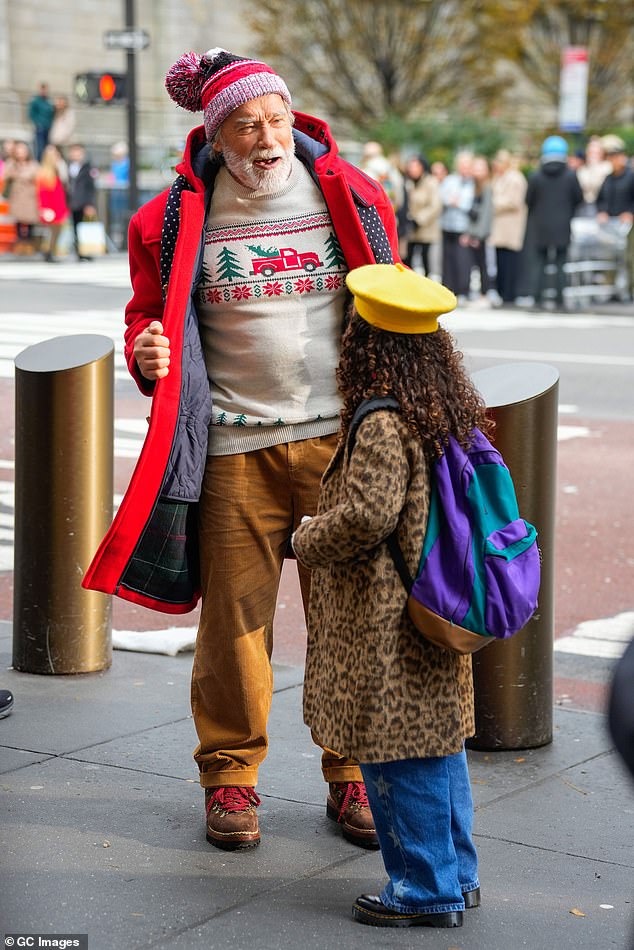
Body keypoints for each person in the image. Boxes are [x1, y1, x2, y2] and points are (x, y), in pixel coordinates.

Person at [82, 47, 400, 853]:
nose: (267, 138)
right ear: (215, 137)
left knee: (352, 618)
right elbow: (146, 317)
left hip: (339, 442)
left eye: (278, 119)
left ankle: (353, 771)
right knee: (233, 627)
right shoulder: (171, 218)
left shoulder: (351, 195)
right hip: (231, 447)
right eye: (246, 125)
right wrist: (145, 350)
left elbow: (395, 299)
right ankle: (229, 776)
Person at [292, 262, 484, 929]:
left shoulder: (381, 420)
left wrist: (308, 538)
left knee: (398, 757)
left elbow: (368, 516)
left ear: (363, 341)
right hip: (433, 604)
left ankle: (425, 890)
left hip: (389, 623)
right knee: (439, 748)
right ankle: (458, 874)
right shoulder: (441, 406)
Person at [525, 136, 583, 312]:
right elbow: (578, 199)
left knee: (539, 264)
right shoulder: (571, 176)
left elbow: (528, 200)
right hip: (562, 226)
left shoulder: (535, 175)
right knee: (560, 263)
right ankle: (559, 300)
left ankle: (537, 299)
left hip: (540, 225)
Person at [596, 135, 634, 302]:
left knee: (629, 257)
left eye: (616, 157)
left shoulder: (631, 176)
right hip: (611, 225)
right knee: (609, 257)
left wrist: (630, 213)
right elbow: (600, 200)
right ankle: (610, 289)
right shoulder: (608, 178)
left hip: (627, 225)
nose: (614, 161)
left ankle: (630, 289)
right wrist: (602, 211)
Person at [489, 149, 527, 306]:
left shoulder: (515, 178)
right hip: (500, 226)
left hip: (510, 226)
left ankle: (509, 294)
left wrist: (492, 204)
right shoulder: (499, 178)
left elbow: (513, 201)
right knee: (500, 260)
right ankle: (502, 292)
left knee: (510, 260)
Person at [439, 151, 474, 300]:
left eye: (467, 165)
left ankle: (463, 290)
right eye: (462, 165)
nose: (464, 168)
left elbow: (470, 203)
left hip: (464, 226)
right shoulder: (450, 180)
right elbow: (442, 196)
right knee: (448, 259)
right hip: (447, 225)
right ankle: (448, 289)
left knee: (463, 260)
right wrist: (450, 201)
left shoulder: (473, 183)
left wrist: (458, 203)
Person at [402, 155, 441, 277]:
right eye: (411, 166)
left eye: (415, 166)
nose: (412, 169)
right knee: (408, 259)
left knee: (426, 260)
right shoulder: (407, 182)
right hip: (410, 229)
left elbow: (435, 205)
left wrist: (418, 219)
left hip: (426, 228)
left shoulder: (431, 182)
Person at [2, 140, 40, 254]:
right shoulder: (11, 163)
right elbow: (6, 176)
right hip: (17, 196)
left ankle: (29, 246)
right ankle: (19, 246)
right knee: (18, 222)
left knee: (30, 222)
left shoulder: (33, 164)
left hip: (29, 197)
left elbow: (37, 177)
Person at [465, 155, 493, 305]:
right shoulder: (475, 186)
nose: (477, 171)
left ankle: (485, 294)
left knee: (483, 264)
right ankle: (479, 293)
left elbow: (486, 214)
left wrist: (478, 235)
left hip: (482, 234)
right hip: (474, 233)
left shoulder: (487, 187)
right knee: (475, 264)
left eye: (480, 168)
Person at [36, 144, 69, 262]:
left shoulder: (57, 171)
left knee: (58, 231)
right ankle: (48, 252)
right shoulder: (44, 173)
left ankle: (51, 251)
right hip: (51, 207)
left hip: (59, 205)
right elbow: (42, 193)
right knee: (52, 232)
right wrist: (45, 208)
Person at [66, 143, 97, 260]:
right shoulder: (67, 166)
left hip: (83, 202)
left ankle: (85, 251)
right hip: (71, 202)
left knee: (83, 227)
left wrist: (90, 204)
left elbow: (91, 188)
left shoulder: (88, 168)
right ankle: (77, 250)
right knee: (74, 227)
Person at [28, 82, 55, 161]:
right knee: (40, 147)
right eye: (43, 89)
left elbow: (52, 113)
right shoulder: (36, 101)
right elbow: (31, 114)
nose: (44, 91)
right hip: (40, 127)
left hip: (48, 127)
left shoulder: (49, 101)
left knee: (47, 147)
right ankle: (38, 162)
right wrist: (38, 123)